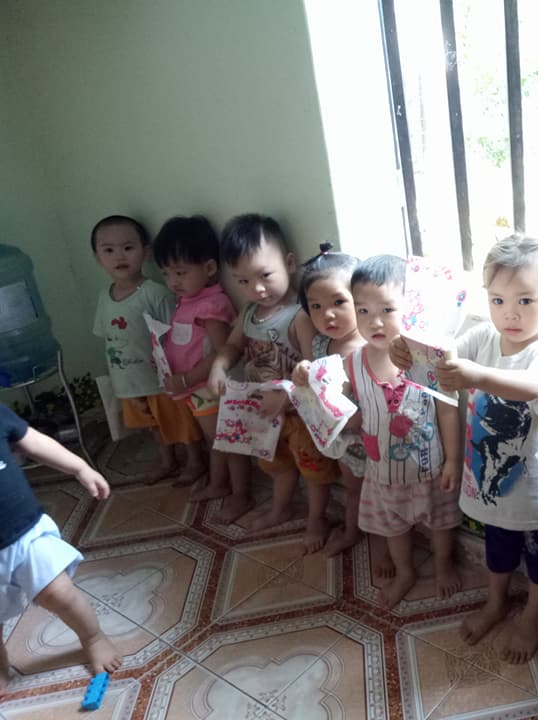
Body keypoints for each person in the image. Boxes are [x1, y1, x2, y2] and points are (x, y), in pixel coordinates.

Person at [394, 233, 538, 664]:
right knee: (497, 552)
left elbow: (534, 386)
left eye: (525, 300)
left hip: (536, 491)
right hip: (489, 483)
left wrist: (476, 376)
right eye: (497, 300)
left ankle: (533, 615)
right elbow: (443, 356)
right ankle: (496, 602)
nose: (509, 313)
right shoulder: (483, 336)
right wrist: (405, 350)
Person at [207, 214, 337, 530]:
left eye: (265, 275)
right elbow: (233, 345)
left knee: (313, 469)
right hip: (264, 412)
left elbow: (315, 370)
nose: (257, 288)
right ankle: (281, 509)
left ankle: (316, 519)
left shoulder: (300, 317)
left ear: (289, 263)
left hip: (300, 415)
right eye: (243, 281)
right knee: (277, 464)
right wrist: (219, 366)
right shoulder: (250, 312)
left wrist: (288, 398)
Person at [346, 255, 462, 609]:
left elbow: (447, 409)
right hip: (382, 472)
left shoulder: (426, 358)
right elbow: (345, 403)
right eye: (363, 311)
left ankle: (442, 565)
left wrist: (453, 460)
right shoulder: (353, 361)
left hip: (429, 470)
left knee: (440, 524)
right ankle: (405, 571)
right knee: (392, 528)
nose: (374, 322)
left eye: (387, 309)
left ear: (412, 307)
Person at [0, 402, 121, 696]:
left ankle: (92, 638)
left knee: (61, 593)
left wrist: (79, 467)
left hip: (25, 534)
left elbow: (33, 442)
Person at [290, 244, 389, 566]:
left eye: (338, 302)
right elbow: (312, 375)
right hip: (344, 440)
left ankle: (384, 548)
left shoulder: (371, 346)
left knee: (380, 495)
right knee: (352, 489)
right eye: (316, 306)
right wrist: (302, 371)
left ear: (361, 303)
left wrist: (359, 417)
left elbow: (386, 395)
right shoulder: (322, 342)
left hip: (372, 437)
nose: (327, 314)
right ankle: (351, 531)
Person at [91, 215, 203, 483]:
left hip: (161, 378)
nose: (119, 256)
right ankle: (167, 461)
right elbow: (108, 336)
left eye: (128, 248)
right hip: (129, 379)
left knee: (179, 421)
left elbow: (177, 333)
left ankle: (196, 461)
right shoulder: (104, 296)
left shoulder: (155, 293)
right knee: (152, 425)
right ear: (98, 258)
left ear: (145, 252)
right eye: (109, 250)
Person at [153, 215, 251, 520]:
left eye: (180, 272)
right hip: (195, 389)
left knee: (229, 442)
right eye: (166, 273)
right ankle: (219, 483)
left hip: (208, 388)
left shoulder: (212, 304)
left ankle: (241, 495)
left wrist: (187, 378)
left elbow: (223, 351)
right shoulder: (187, 299)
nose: (173, 281)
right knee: (217, 441)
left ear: (209, 268)